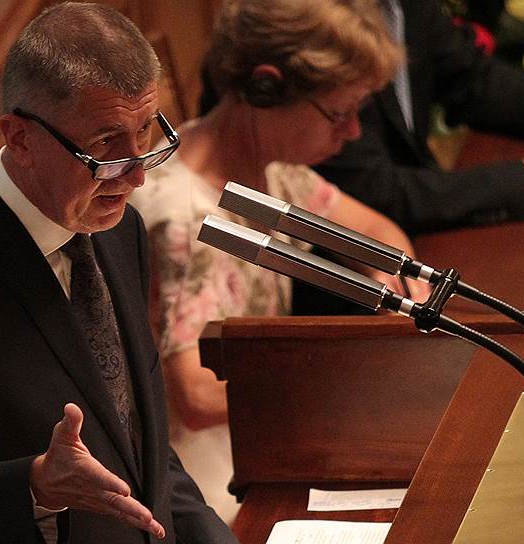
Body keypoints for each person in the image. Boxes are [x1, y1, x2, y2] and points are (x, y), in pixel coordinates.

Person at [0, 4, 237, 543]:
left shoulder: (119, 229)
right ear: (19, 138)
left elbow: (142, 450)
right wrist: (36, 484)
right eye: (106, 144)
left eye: (145, 134)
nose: (135, 175)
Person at [129, 0, 417, 523]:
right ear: (266, 88)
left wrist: (391, 283)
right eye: (340, 113)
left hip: (271, 429)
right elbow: (195, 398)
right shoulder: (182, 218)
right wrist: (344, 380)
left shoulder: (269, 167)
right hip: (209, 483)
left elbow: (380, 234)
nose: (353, 132)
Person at [289, 0, 524, 316]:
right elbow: (375, 190)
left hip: (411, 254)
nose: (351, 126)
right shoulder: (312, 20)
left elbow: (469, 75)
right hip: (331, 294)